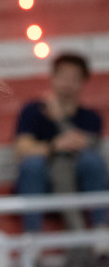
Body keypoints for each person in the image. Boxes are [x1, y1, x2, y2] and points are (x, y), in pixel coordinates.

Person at [14, 53, 107, 233]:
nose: (67, 83)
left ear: (83, 82)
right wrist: (55, 146)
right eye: (63, 76)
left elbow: (86, 145)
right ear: (53, 77)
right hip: (43, 179)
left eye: (74, 78)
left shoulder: (91, 117)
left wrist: (59, 118)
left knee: (93, 161)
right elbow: (22, 149)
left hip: (78, 178)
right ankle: (33, 238)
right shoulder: (33, 110)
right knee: (32, 164)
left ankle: (100, 231)